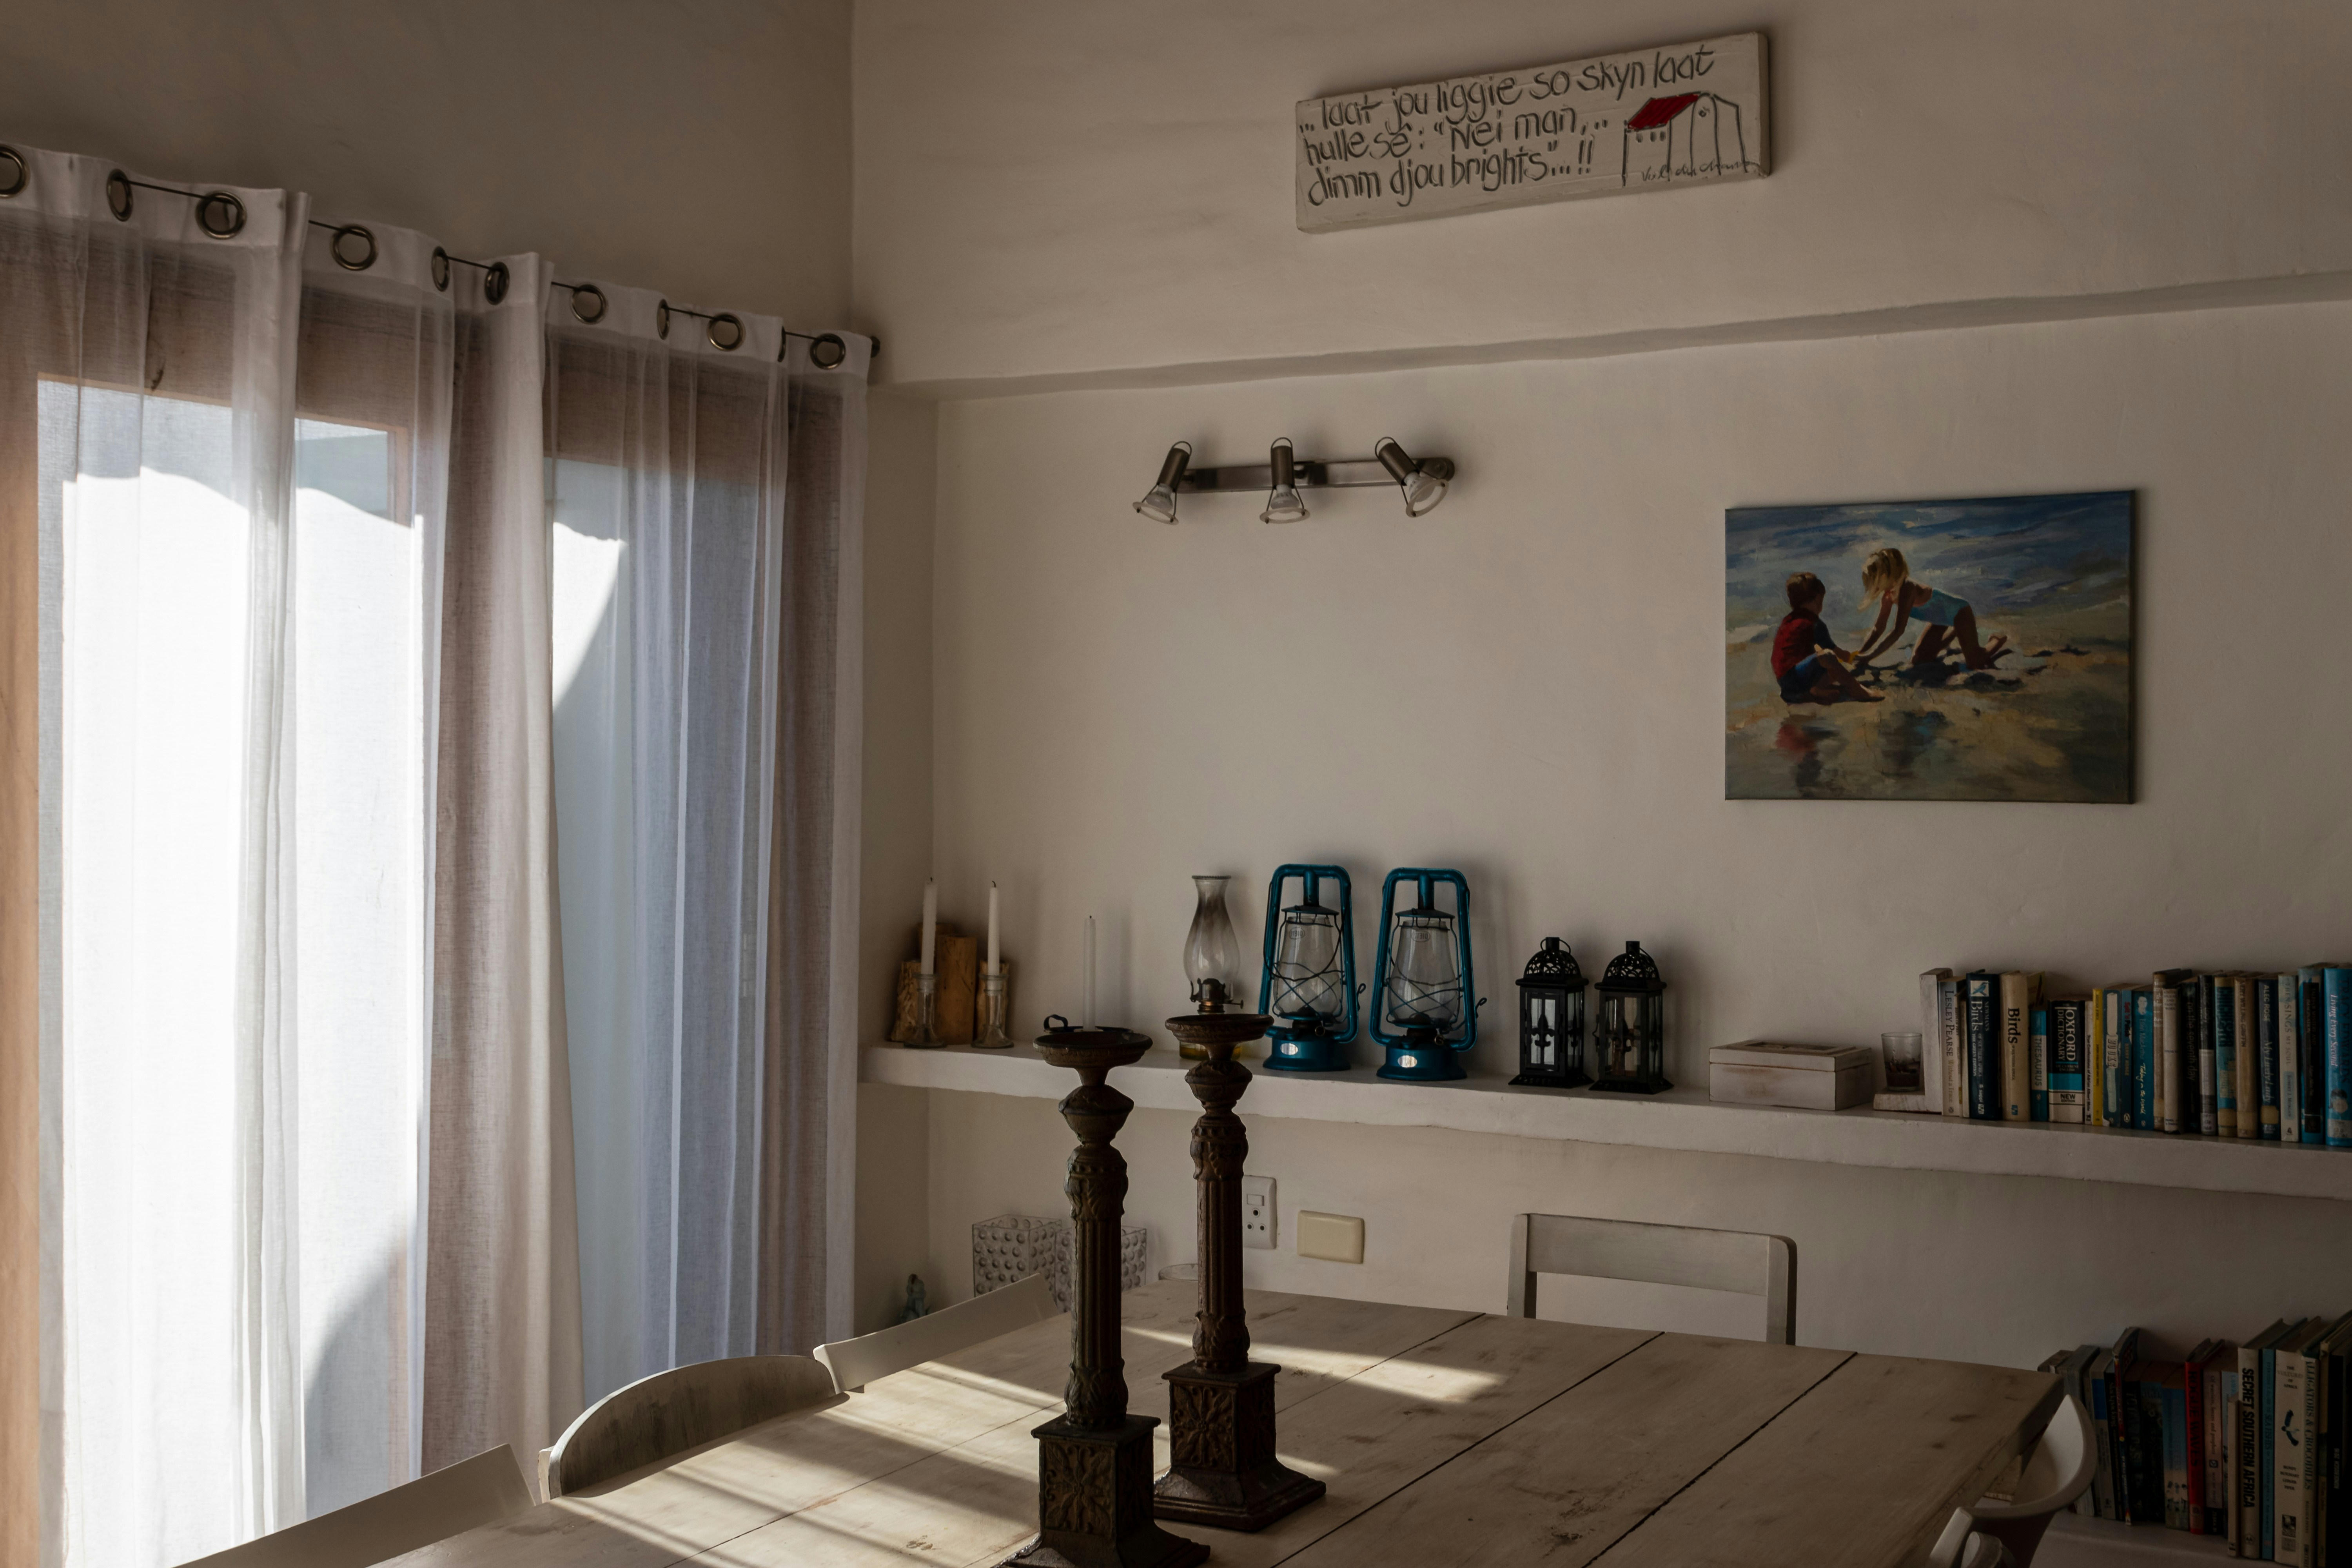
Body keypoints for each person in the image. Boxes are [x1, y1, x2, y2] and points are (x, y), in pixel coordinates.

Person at [1851, 546, 2007, 671]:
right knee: (1919, 660)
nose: (1871, 586)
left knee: (1975, 663)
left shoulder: (1907, 589)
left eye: (1873, 581)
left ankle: (1996, 640)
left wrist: (1870, 656)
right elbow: (1879, 628)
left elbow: (1898, 630)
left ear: (1884, 576)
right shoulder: (1888, 596)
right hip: (1939, 620)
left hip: (1960, 613)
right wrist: (1861, 653)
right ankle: (1955, 632)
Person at [1771, 572, 1880, 705]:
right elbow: (1835, 651)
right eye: (1821, 600)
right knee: (1828, 656)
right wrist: (1854, 658)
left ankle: (1817, 691)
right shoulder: (1813, 623)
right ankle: (1858, 691)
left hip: (1785, 683)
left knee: (1827, 664)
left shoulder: (1788, 621)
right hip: (1795, 677)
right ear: (1816, 599)